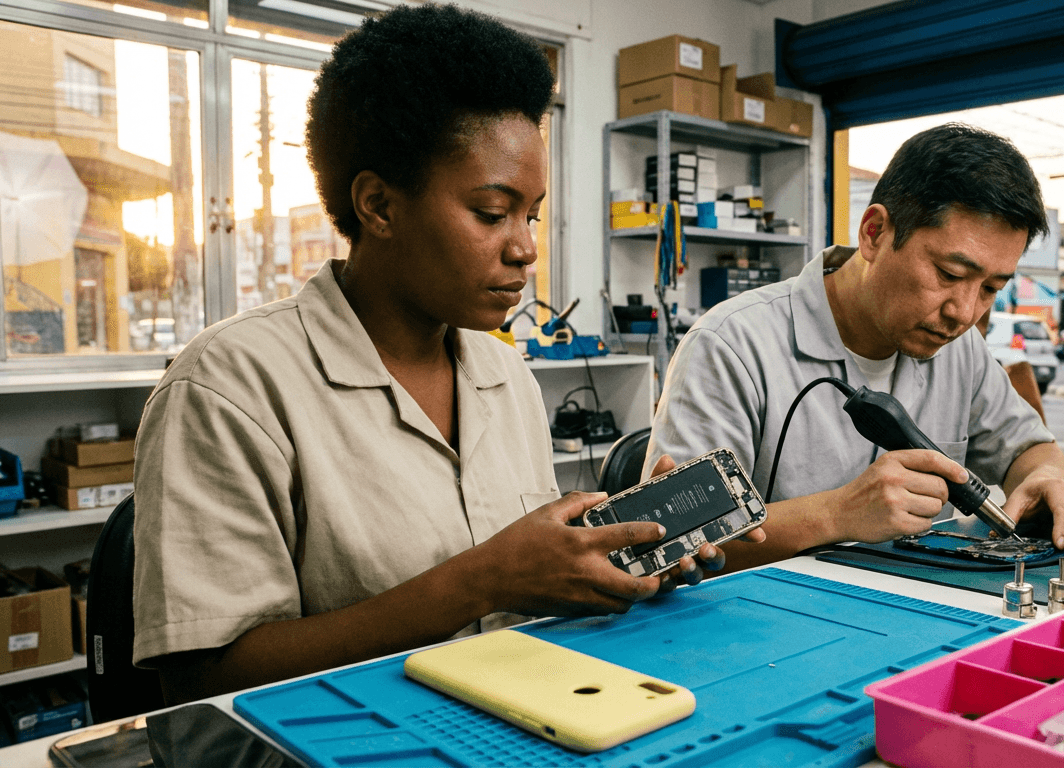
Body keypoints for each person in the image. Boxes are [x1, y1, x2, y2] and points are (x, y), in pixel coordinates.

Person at [131, 5, 751, 704]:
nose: (524, 247)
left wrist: (611, 566)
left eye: (532, 214)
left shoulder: (503, 374)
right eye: (492, 212)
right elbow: (201, 680)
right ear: (379, 205)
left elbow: (528, 600)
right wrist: (482, 580)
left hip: (525, 716)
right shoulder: (229, 386)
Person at [645, 123, 1064, 573]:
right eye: (949, 275)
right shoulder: (732, 345)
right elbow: (670, 542)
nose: (965, 312)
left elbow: (1029, 450)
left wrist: (1049, 482)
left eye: (991, 288)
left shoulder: (959, 348)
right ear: (874, 233)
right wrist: (836, 514)